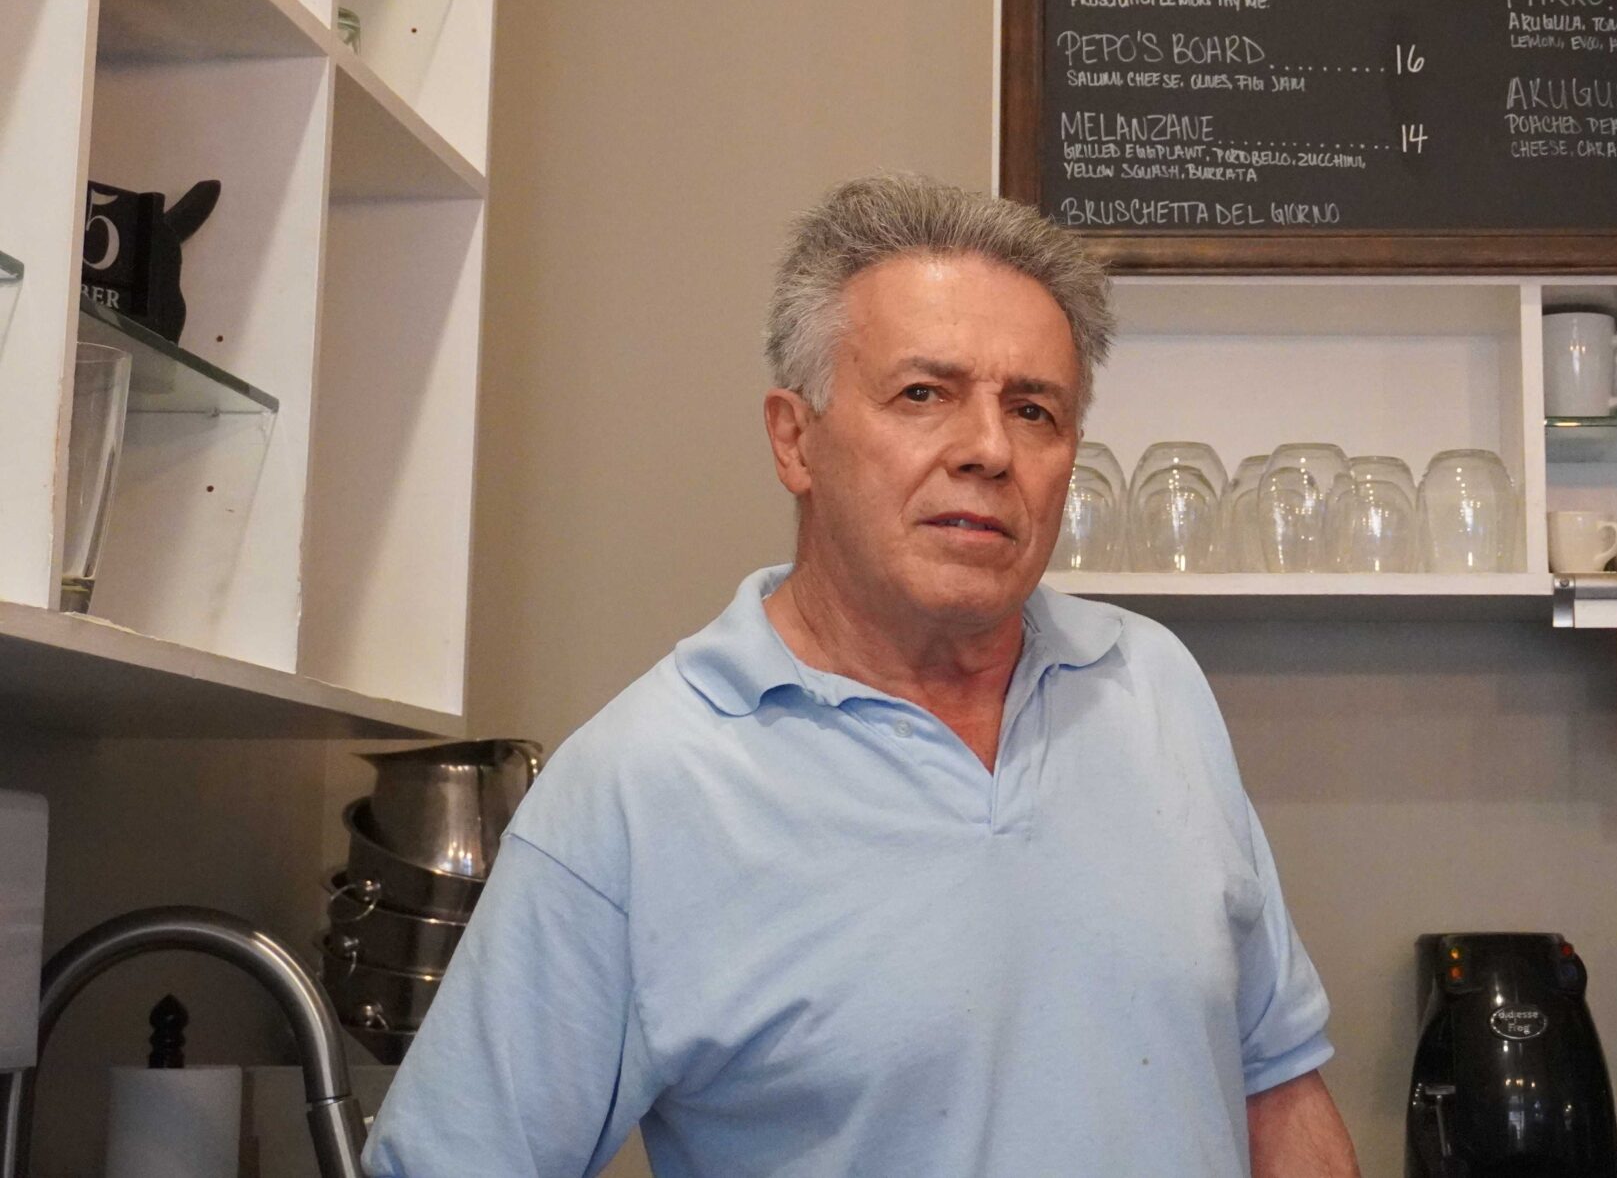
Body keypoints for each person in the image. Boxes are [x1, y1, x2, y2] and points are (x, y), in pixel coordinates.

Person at [364, 176, 1360, 1178]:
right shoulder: (639, 788)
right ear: (794, 439)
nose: (987, 449)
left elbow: (1273, 1080)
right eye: (922, 395)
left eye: (1033, 410)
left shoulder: (1150, 686)